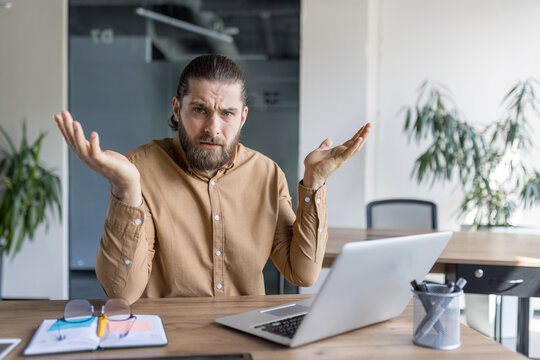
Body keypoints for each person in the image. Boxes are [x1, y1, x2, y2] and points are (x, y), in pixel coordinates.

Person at [55, 54, 371, 304]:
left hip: (248, 336)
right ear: (177, 109)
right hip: (168, 341)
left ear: (243, 116)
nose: (213, 128)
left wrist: (314, 181)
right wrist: (126, 189)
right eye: (200, 110)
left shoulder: (267, 174)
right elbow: (121, 293)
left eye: (227, 114)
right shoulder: (140, 170)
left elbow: (303, 273)